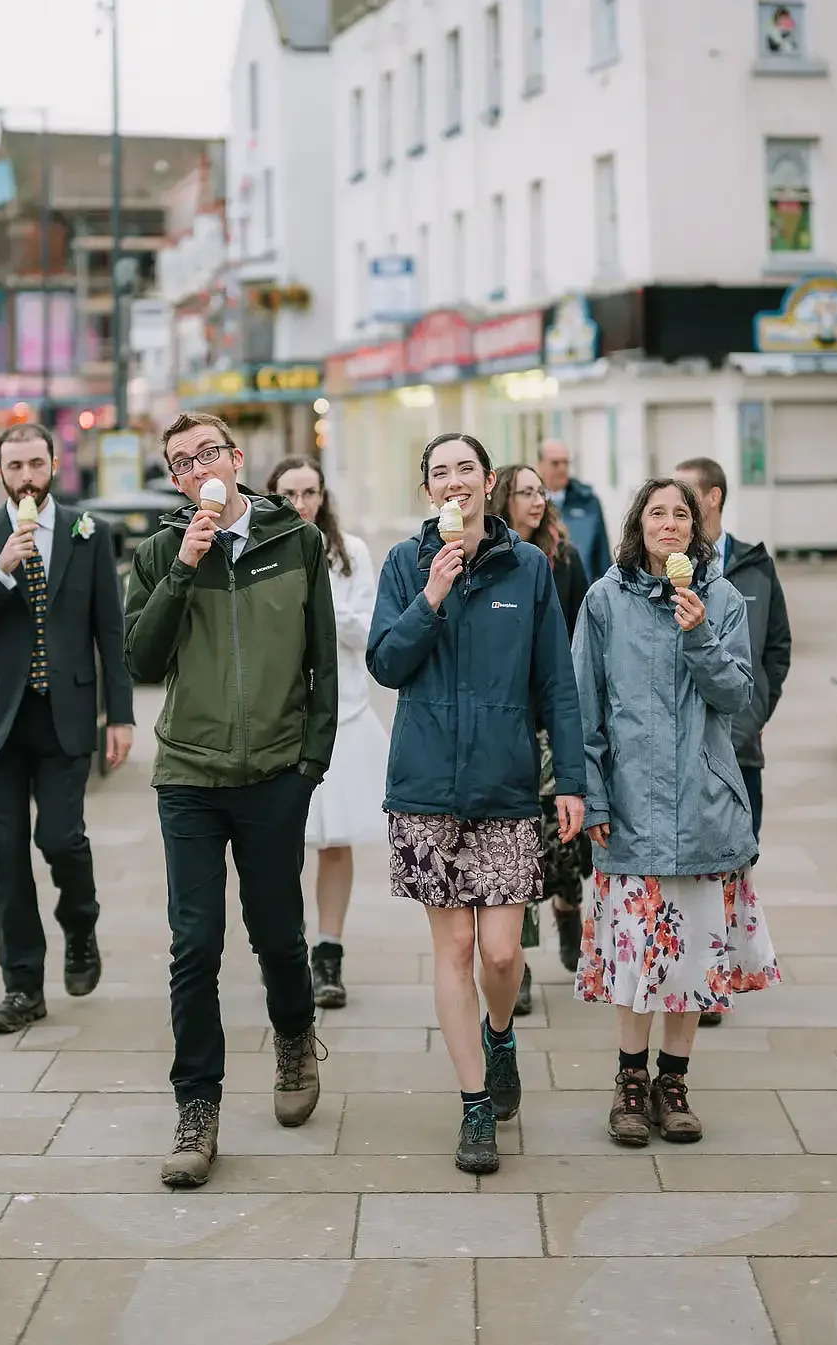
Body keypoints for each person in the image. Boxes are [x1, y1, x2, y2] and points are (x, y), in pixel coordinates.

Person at [124, 413, 338, 1190]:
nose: (197, 468)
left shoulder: (297, 542)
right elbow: (140, 658)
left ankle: (294, 1036)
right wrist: (184, 566)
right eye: (182, 461)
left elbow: (322, 659)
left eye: (208, 453)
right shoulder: (160, 551)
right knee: (194, 943)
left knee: (277, 933)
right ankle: (197, 1106)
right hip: (189, 773)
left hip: (276, 773)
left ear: (237, 458)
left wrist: (311, 760)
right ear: (175, 479)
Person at [367, 433, 586, 1175]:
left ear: (489, 482)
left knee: (500, 952)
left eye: (466, 468)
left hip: (505, 787)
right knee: (455, 949)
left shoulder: (527, 567)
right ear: (428, 489)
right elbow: (386, 662)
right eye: (440, 472)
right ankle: (474, 1105)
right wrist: (431, 594)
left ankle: (500, 1033)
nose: (454, 481)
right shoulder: (405, 563)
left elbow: (556, 682)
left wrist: (572, 779)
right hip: (426, 788)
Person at [573, 477, 780, 1148]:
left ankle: (674, 1080)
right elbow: (584, 707)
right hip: (630, 805)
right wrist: (593, 795)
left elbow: (737, 696)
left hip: (703, 804)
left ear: (696, 527)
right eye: (657, 513)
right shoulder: (604, 600)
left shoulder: (721, 598)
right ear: (639, 525)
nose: (669, 523)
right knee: (635, 957)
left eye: (681, 514)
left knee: (692, 956)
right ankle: (630, 1081)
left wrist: (699, 635)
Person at [0, 422, 134, 1034]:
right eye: (15, 466)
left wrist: (120, 715)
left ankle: (81, 924)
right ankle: (22, 986)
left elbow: (110, 630)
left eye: (36, 464)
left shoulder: (87, 532)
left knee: (60, 839)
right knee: (5, 858)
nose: (27, 477)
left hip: (64, 718)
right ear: (0, 471)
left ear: (54, 465)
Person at [266, 453, 388, 1010]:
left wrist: (319, 604)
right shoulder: (258, 551)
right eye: (288, 494)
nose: (300, 504)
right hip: (276, 716)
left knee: (335, 839)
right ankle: (285, 950)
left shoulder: (350, 552)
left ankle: (328, 952)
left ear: (323, 496)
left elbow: (367, 630)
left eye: (309, 493)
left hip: (341, 712)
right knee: (280, 842)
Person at [673, 457, 792, 1027]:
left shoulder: (754, 566)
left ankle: (716, 974)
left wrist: (757, 713)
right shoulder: (663, 569)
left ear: (713, 497)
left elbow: (777, 649)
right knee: (690, 871)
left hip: (740, 748)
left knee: (734, 863)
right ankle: (694, 978)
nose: (676, 511)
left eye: (687, 496)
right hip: (684, 751)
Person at [488, 464, 591, 1016]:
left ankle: (569, 907)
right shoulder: (491, 559)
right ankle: (520, 965)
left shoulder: (562, 558)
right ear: (503, 498)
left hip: (552, 717)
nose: (536, 500)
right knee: (518, 844)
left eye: (539, 492)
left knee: (561, 836)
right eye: (524, 491)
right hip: (510, 721)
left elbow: (581, 634)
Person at [535, 438, 612, 586]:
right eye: (555, 463)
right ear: (540, 465)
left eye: (566, 463)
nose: (562, 468)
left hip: (584, 590)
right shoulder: (533, 504)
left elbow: (603, 557)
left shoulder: (588, 503)